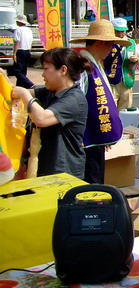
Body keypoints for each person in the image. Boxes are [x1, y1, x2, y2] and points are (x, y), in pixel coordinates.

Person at [11, 48, 90, 178]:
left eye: (46, 69)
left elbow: (41, 119)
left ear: (63, 70)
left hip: (63, 174)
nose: (43, 74)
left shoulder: (74, 99)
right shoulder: (50, 91)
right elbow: (15, 92)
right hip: (44, 168)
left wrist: (24, 94)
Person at [70, 19, 127, 184]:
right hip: (86, 138)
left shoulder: (95, 65)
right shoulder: (83, 67)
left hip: (95, 136)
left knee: (97, 178)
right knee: (91, 181)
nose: (111, 49)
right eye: (110, 45)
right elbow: (76, 102)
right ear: (101, 43)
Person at [104, 18, 139, 110]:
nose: (120, 34)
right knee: (110, 110)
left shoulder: (131, 43)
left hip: (126, 80)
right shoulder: (107, 43)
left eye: (123, 31)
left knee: (125, 111)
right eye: (117, 31)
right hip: (111, 81)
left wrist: (136, 60)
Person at [12, 14, 34, 89]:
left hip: (20, 51)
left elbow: (17, 42)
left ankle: (29, 84)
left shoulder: (18, 30)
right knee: (23, 71)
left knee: (17, 71)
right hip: (27, 51)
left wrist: (14, 54)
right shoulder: (29, 30)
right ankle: (20, 87)